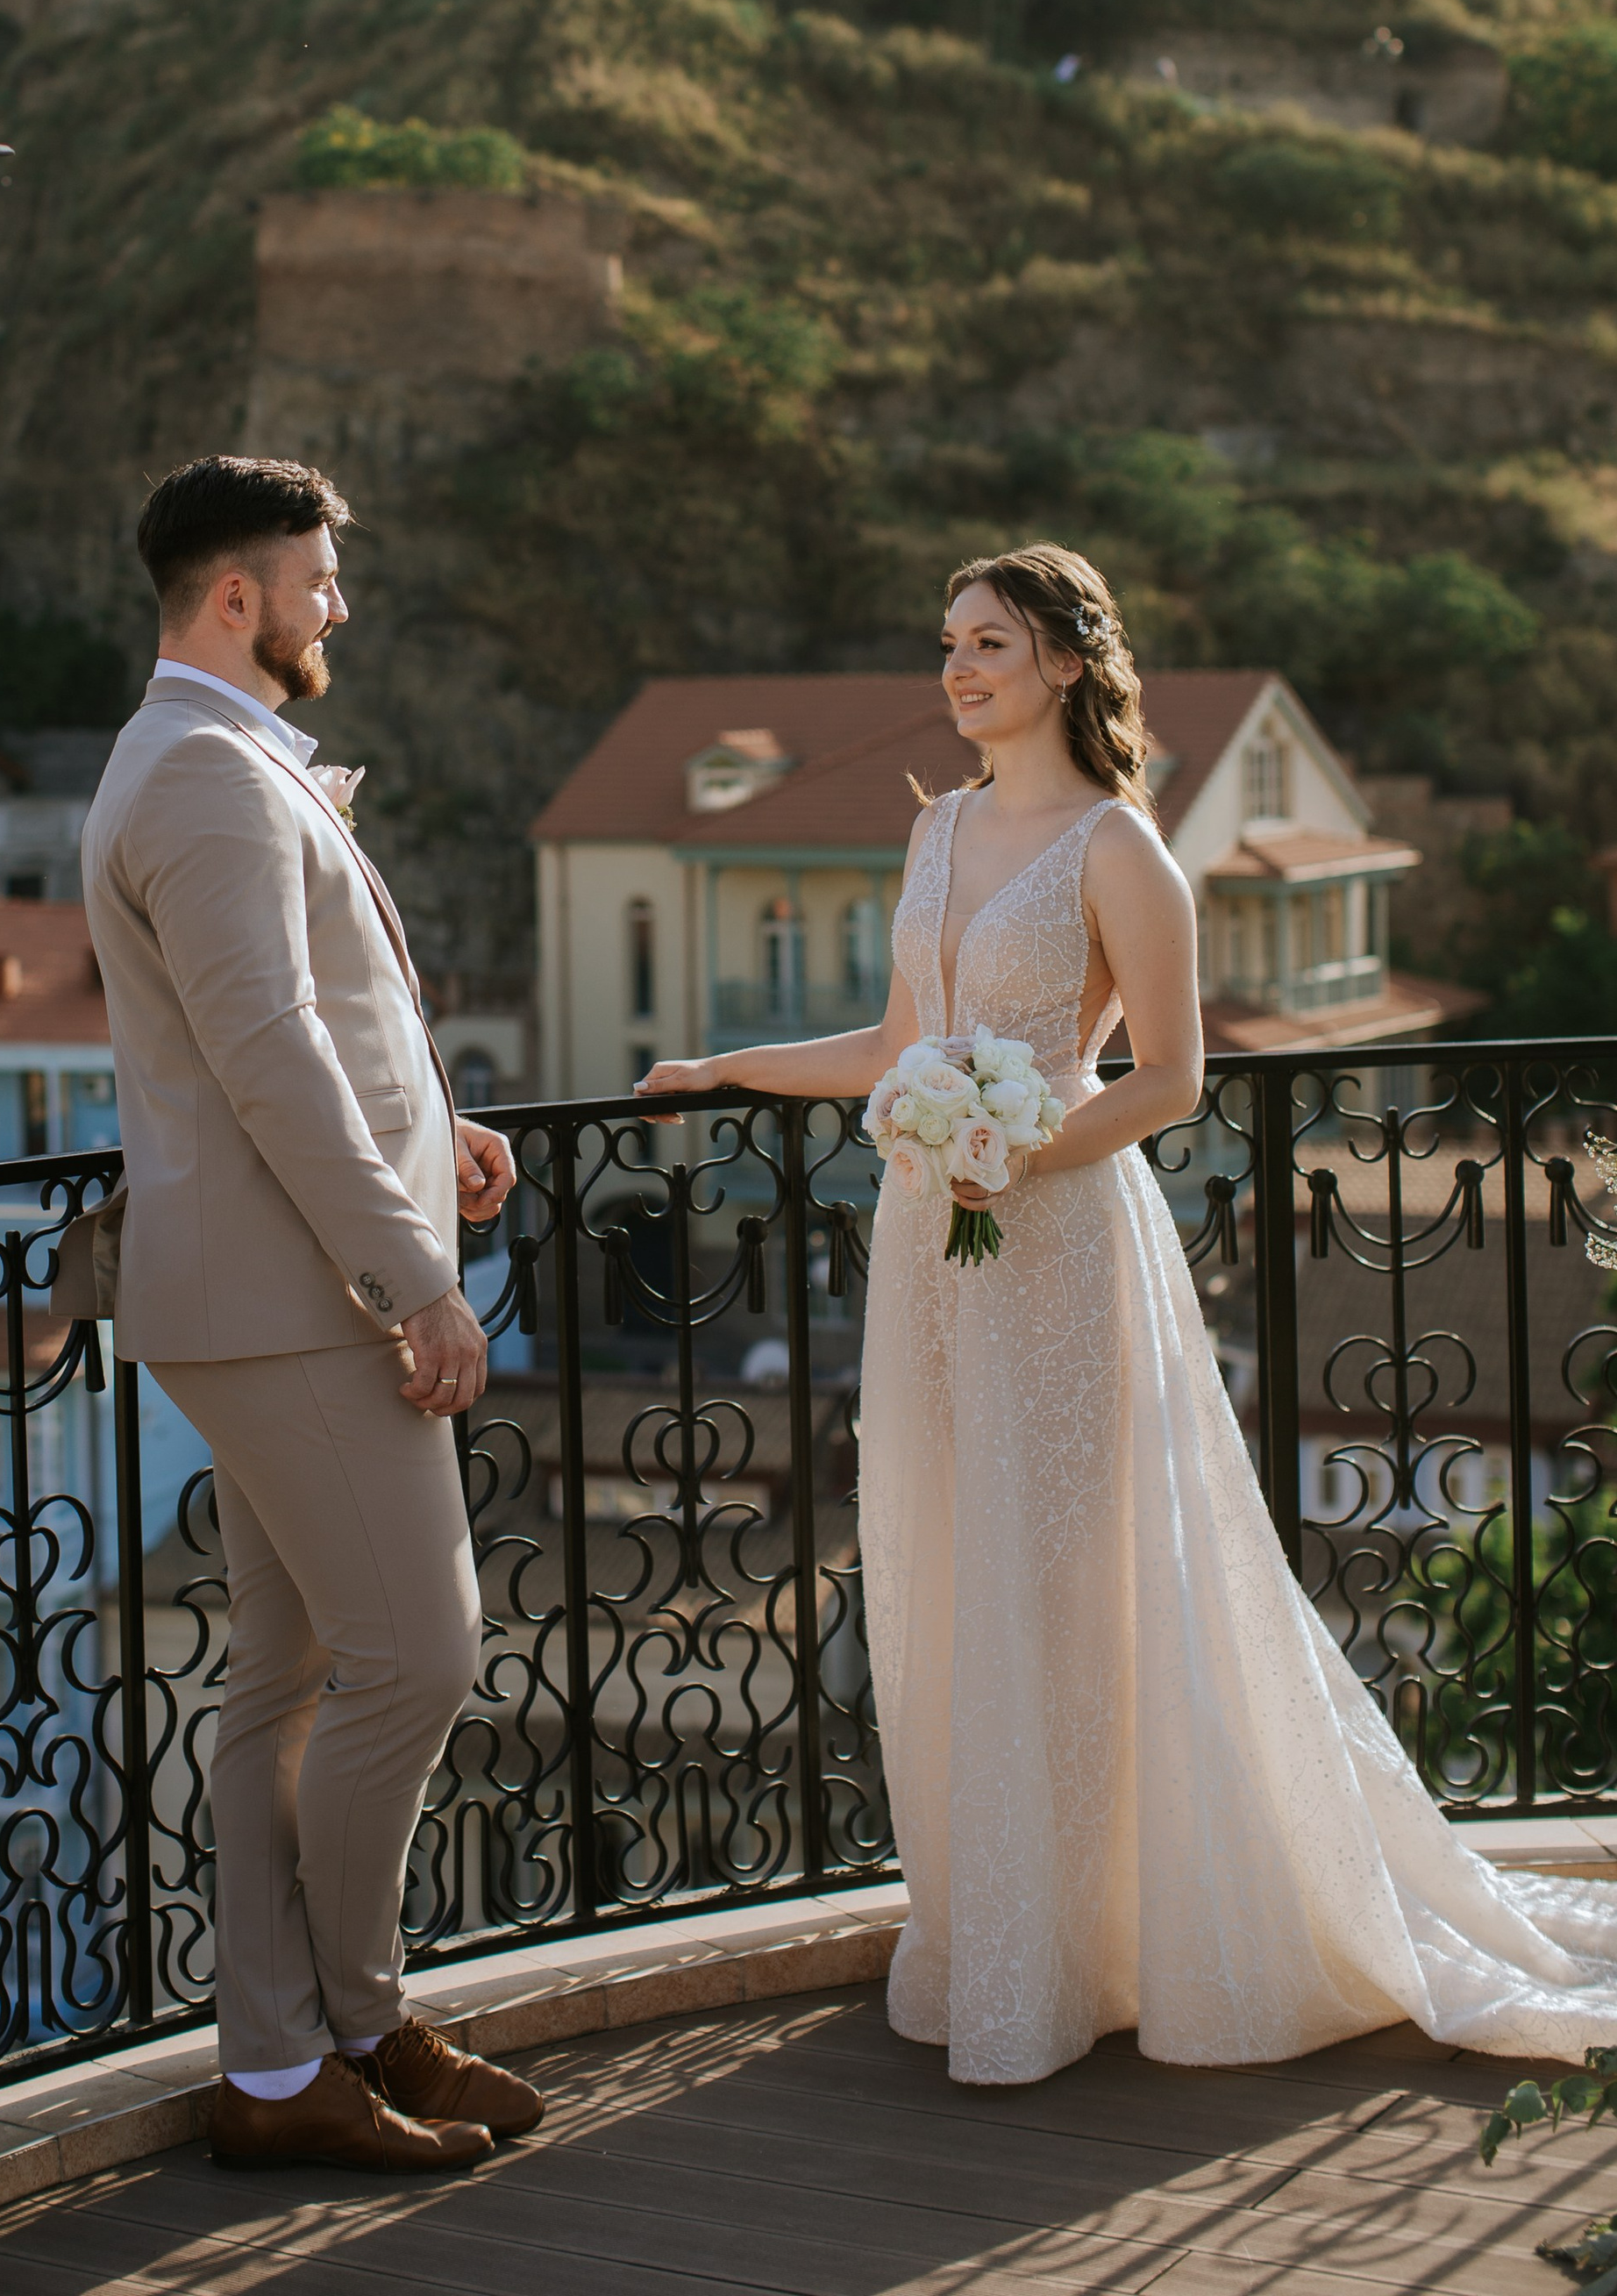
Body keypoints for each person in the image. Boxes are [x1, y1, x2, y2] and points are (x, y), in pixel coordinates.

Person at [638, 542, 1617, 2085]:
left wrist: (1009, 1145)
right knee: (957, 1562)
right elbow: (905, 1039)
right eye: (949, 643)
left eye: (991, 645)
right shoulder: (935, 831)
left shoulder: (1117, 849)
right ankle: (1008, 1941)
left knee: (1076, 1575)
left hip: (1061, 1247)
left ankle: (1107, 1945)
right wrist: (727, 1071)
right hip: (926, 1243)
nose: (958, 670)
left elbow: (1170, 1079)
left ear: (1067, 666)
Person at [82, 454, 545, 2170]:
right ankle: (365, 2015)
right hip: (291, 1303)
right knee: (418, 1660)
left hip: (274, 1285)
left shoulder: (215, 763)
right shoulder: (201, 776)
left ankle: (277, 2072)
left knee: (279, 1687)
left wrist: (441, 1126)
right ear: (234, 598)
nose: (333, 607)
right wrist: (414, 1280)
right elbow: (262, 1056)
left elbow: (306, 1032)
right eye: (316, 580)